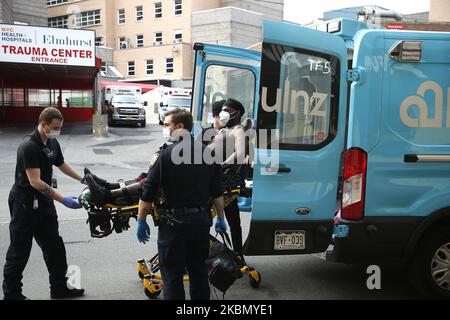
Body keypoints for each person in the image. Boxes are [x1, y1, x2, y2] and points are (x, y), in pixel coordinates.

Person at [136, 108, 227, 300]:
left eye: (167, 125)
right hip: (201, 223)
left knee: (172, 277)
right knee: (199, 273)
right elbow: (217, 192)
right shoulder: (209, 154)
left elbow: (147, 193)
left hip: (173, 226)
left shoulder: (165, 155)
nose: (164, 128)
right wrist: (220, 217)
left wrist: (141, 220)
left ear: (179, 127)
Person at [2, 107, 85, 300]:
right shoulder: (28, 146)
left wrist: (83, 179)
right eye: (55, 127)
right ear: (43, 124)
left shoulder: (52, 142)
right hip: (25, 203)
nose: (58, 131)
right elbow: (35, 182)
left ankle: (59, 289)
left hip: (44, 203)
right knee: (19, 252)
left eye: (60, 128)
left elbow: (61, 163)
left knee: (55, 247)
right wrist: (63, 199)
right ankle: (12, 294)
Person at [207, 98, 247, 261]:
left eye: (226, 110)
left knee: (233, 220)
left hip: (218, 176)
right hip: (208, 170)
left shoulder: (238, 130)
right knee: (233, 218)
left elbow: (239, 154)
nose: (222, 113)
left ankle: (238, 254)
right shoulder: (224, 129)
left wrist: (220, 165)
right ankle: (238, 254)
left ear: (236, 113)